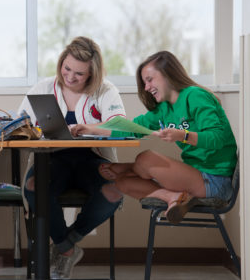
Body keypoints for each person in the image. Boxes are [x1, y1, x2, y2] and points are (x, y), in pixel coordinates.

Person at [71, 50, 237, 225]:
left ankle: (133, 167)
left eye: (149, 80)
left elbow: (217, 138)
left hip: (215, 181)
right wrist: (90, 128)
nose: (146, 87)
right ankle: (173, 197)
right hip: (196, 176)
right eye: (144, 83)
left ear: (168, 75)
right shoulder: (163, 109)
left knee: (146, 158)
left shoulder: (195, 95)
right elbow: (129, 128)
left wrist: (183, 135)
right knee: (123, 182)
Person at [18, 36, 126, 279]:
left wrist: (91, 128)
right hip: (52, 161)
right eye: (67, 68)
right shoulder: (43, 88)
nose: (70, 76)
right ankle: (68, 252)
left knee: (114, 192)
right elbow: (20, 124)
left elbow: (121, 127)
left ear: (92, 74)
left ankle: (64, 245)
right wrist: (34, 130)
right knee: (34, 187)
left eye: (79, 73)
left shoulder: (106, 91)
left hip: (92, 160)